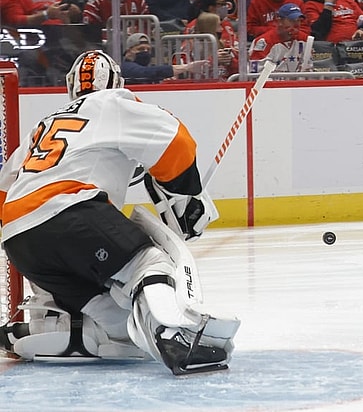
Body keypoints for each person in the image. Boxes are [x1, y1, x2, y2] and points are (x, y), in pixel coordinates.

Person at [0, 50, 237, 375]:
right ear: (116, 82)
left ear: (71, 86)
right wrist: (187, 196)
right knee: (149, 263)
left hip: (19, 239)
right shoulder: (112, 102)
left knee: (113, 315)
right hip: (71, 210)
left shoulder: (44, 125)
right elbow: (175, 139)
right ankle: (175, 334)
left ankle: (59, 330)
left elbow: (4, 188)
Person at [249, 3, 314, 71]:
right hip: (270, 78)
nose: (296, 24)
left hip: (298, 78)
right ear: (280, 21)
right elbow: (256, 72)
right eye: (291, 20)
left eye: (298, 20)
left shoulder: (305, 39)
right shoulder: (264, 41)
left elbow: (308, 69)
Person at [121, 32, 208, 83]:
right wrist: (186, 67)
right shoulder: (125, 67)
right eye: (140, 49)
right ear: (128, 52)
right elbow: (145, 72)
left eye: (148, 49)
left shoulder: (147, 67)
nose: (145, 52)